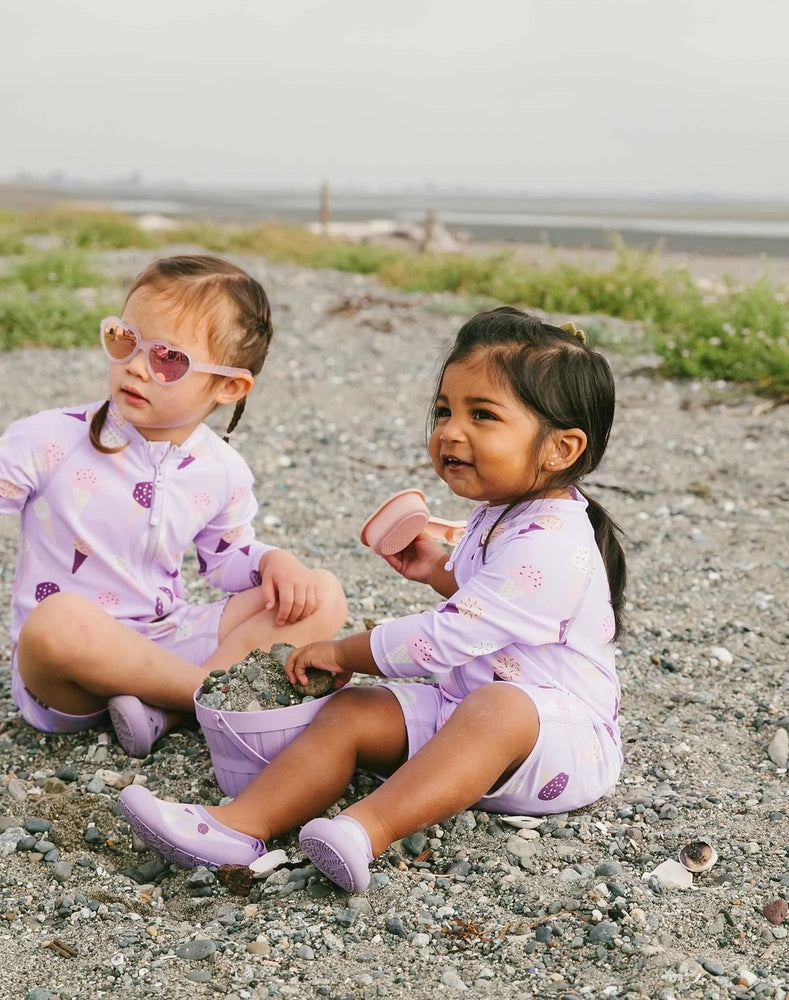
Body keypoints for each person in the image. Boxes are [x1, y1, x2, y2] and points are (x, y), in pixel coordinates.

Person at [118, 306, 627, 891]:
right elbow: (495, 607)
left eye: (482, 415)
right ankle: (238, 827)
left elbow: (449, 637)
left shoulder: (556, 541)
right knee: (356, 711)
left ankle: (363, 830)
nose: (449, 432)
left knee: (500, 708)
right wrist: (438, 569)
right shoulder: (504, 514)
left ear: (560, 449)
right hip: (467, 710)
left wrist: (345, 652)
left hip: (562, 744)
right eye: (444, 410)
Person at [0, 254, 348, 756]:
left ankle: (172, 707)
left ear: (229, 386)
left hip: (167, 638)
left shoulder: (221, 470)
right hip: (72, 673)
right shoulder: (51, 437)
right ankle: (214, 697)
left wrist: (272, 561)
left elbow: (226, 561)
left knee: (322, 593)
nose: (135, 366)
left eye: (167, 359)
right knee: (56, 621)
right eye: (124, 340)